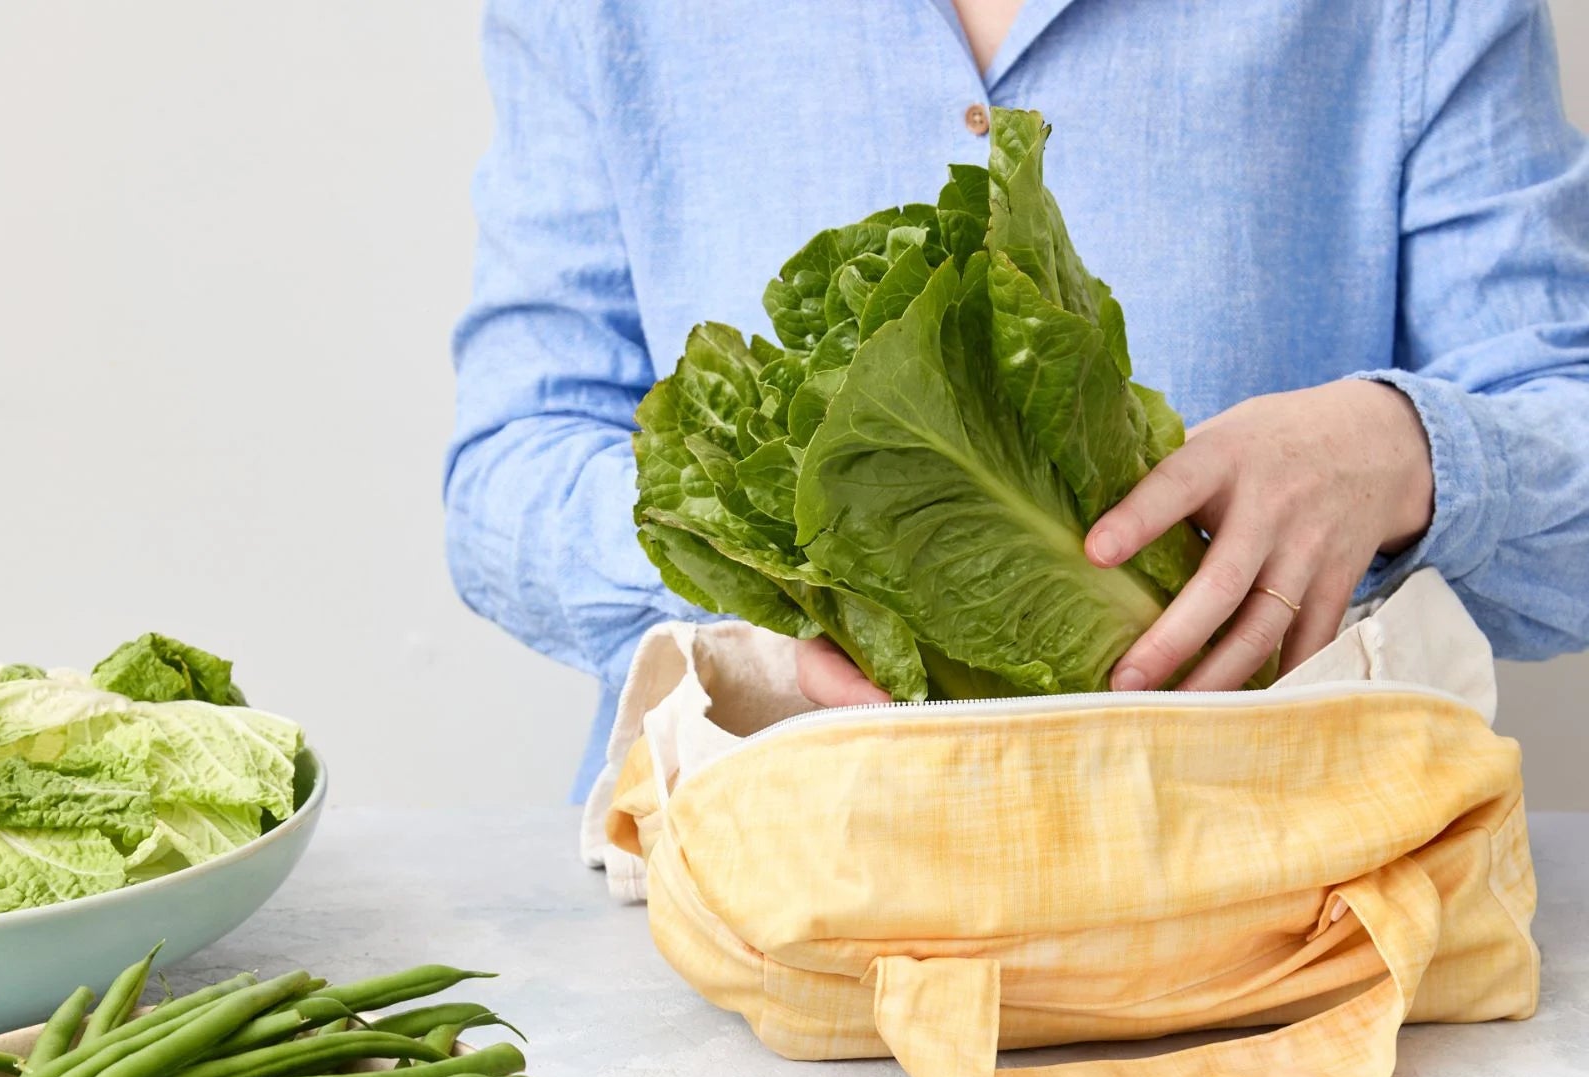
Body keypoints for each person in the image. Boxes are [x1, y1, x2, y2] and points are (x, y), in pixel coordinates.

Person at [445, 0, 1589, 797]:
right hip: (773, 896)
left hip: (1262, 907)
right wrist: (780, 586)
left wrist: (1406, 450)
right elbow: (508, 473)